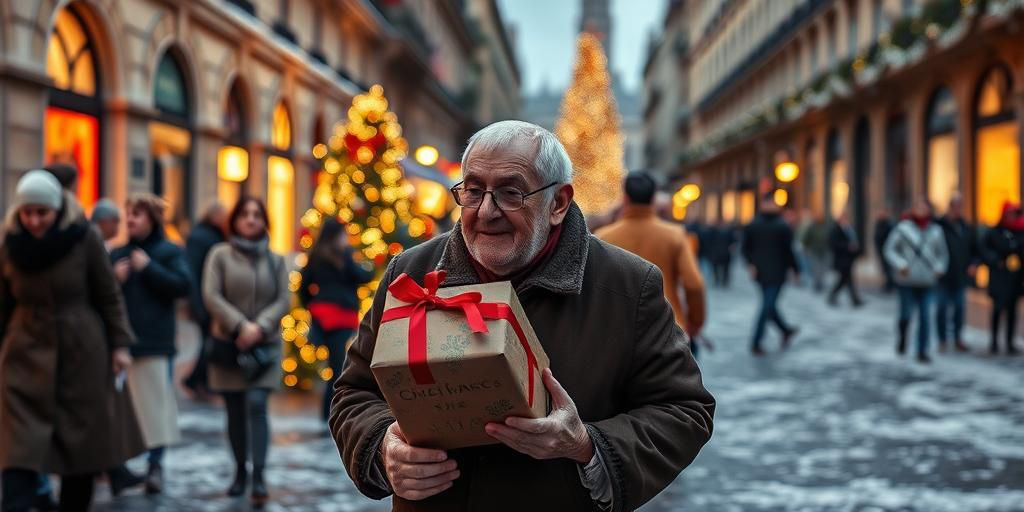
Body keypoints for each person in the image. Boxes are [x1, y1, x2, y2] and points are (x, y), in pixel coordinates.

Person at [331, 121, 714, 511]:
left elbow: (684, 410)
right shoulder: (409, 274)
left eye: (511, 194)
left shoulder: (629, 286)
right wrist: (383, 448)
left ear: (559, 203)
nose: (486, 211)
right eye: (473, 190)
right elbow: (354, 393)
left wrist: (586, 445)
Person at [0, 170, 145, 511]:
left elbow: (108, 294)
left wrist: (120, 345)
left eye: (42, 213)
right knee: (16, 457)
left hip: (81, 355)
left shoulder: (84, 237)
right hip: (24, 355)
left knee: (80, 455)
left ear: (57, 209)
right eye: (27, 212)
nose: (34, 221)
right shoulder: (10, 244)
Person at [203, 196, 290, 506]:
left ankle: (259, 475)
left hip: (264, 348)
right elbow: (211, 295)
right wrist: (240, 326)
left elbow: (284, 299)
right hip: (230, 346)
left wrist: (260, 326)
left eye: (257, 214)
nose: (251, 219)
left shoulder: (275, 260)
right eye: (245, 214)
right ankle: (240, 470)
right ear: (235, 220)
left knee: (256, 404)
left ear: (265, 221)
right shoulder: (220, 255)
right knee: (235, 411)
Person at [110, 193, 190, 494]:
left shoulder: (169, 252)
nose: (130, 219)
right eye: (128, 213)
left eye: (137, 214)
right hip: (120, 345)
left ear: (152, 219)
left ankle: (155, 466)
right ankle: (119, 468)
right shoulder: (117, 253)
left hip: (155, 344)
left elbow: (183, 286)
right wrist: (113, 278)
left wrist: (149, 268)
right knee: (121, 410)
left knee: (155, 410)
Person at [596, 171, 707, 349]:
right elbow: (694, 283)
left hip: (619, 330)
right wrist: (695, 322)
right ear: (654, 198)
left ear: (625, 198)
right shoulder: (675, 235)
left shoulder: (604, 237)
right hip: (668, 327)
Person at [299, 218, 374, 422]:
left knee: (335, 364)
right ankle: (330, 414)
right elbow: (360, 276)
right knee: (338, 367)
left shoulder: (315, 255)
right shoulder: (343, 254)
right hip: (340, 315)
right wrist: (370, 266)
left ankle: (328, 413)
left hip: (323, 315)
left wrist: (312, 305)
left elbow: (303, 286)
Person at [883, 199, 949, 363]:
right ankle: (903, 336)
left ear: (929, 210)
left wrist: (939, 268)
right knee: (906, 314)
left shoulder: (936, 231)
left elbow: (943, 254)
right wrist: (901, 264)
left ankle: (922, 350)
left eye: (924, 207)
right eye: (918, 206)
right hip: (907, 281)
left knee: (926, 317)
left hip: (927, 281)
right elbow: (889, 249)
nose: (921, 210)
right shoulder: (903, 228)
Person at [742, 198, 800, 355]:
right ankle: (763, 339)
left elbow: (789, 251)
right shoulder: (754, 225)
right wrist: (750, 264)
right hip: (761, 273)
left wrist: (796, 270)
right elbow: (746, 248)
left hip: (778, 272)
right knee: (768, 306)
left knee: (768, 306)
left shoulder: (782, 226)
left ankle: (760, 340)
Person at [183, 201, 228, 396]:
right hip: (205, 298)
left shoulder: (212, 236)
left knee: (209, 340)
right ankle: (195, 380)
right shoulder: (201, 237)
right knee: (209, 340)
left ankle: (199, 380)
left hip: (208, 297)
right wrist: (197, 304)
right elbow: (193, 271)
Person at [935, 195, 978, 353]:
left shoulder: (966, 228)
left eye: (960, 207)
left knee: (959, 308)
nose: (957, 210)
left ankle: (958, 337)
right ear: (950, 207)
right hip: (943, 276)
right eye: (955, 206)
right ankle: (942, 339)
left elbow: (975, 250)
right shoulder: (939, 226)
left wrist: (973, 265)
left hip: (960, 276)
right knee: (942, 309)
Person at [980, 202, 1023, 355]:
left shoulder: (1020, 232)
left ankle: (1010, 343)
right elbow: (984, 250)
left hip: (1015, 279)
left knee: (1012, 312)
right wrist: (996, 260)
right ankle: (994, 342)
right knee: (997, 310)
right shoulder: (994, 232)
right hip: (999, 277)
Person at [828, 211, 864, 307]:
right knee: (845, 279)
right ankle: (854, 300)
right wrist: (847, 246)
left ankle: (853, 299)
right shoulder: (835, 230)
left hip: (849, 259)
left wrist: (856, 250)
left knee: (846, 280)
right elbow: (833, 244)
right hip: (842, 259)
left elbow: (855, 241)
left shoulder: (849, 229)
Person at [800, 211, 831, 292]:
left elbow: (830, 237)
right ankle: (817, 283)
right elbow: (806, 238)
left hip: (825, 250)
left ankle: (820, 281)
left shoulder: (826, 226)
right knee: (816, 267)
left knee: (824, 267)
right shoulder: (812, 227)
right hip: (814, 250)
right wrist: (805, 248)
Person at [708, 220, 737, 287]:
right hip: (716, 252)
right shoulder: (714, 231)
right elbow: (709, 241)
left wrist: (732, 247)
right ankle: (717, 280)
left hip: (725, 253)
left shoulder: (729, 232)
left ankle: (724, 281)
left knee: (726, 268)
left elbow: (733, 241)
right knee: (715, 268)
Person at [874, 210, 896, 293]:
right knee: (886, 269)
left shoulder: (889, 225)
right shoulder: (879, 224)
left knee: (888, 269)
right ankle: (889, 284)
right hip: (882, 250)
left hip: (887, 250)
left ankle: (890, 285)